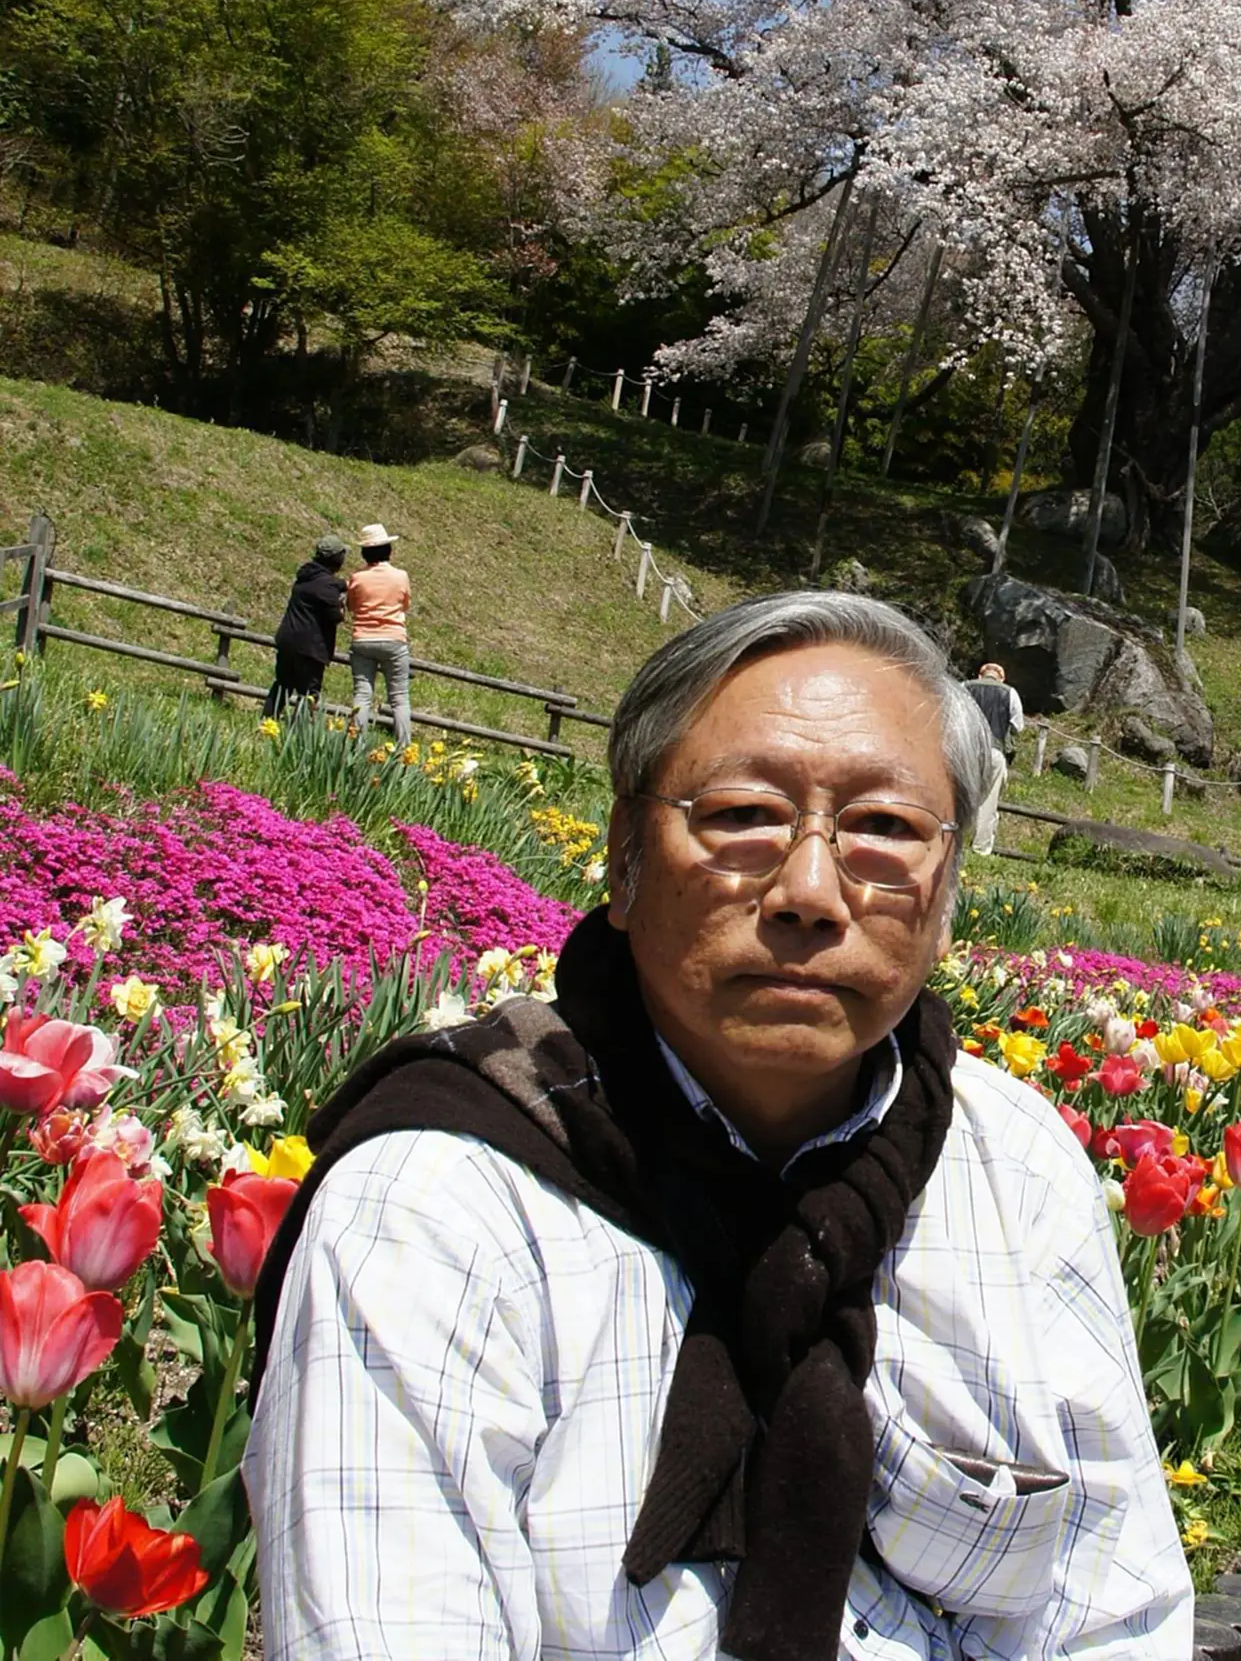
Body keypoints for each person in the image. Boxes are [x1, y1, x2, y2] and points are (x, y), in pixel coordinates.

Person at [244, 592, 1192, 1659]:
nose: (810, 890)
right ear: (622, 857)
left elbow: (1118, 1618)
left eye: (883, 828)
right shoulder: (437, 1206)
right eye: (742, 815)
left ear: (949, 888)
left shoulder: (1015, 1165)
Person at [262, 536, 346, 721]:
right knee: (309, 692)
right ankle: (297, 731)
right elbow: (336, 616)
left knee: (283, 684)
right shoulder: (327, 586)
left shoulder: (305, 577)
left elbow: (331, 585)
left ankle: (267, 720)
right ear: (336, 559)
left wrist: (344, 585)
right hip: (310, 646)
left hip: (288, 639)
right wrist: (342, 605)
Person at [344, 521, 411, 749]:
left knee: (362, 695)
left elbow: (351, 606)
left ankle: (356, 746)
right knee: (400, 698)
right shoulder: (401, 576)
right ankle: (404, 750)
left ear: (364, 552)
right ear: (388, 551)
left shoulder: (357, 578)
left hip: (363, 638)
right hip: (394, 638)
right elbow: (405, 604)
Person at [964, 659, 1024, 857]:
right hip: (994, 751)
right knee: (988, 801)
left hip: (967, 749)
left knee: (959, 795)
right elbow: (1018, 727)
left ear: (980, 675)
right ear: (1002, 678)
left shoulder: (965, 687)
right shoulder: (1010, 693)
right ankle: (980, 848)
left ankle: (952, 840)